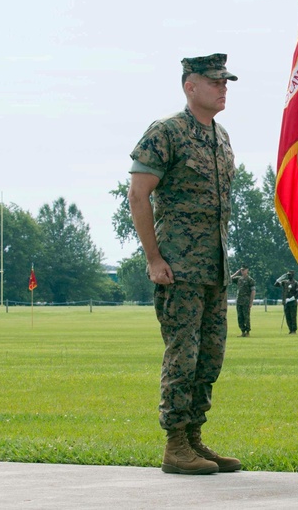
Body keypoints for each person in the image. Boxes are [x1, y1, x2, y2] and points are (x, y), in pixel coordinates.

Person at [127, 53, 241, 475]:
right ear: (189, 86)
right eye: (214, 81)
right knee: (183, 356)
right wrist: (153, 258)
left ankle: (194, 437)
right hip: (179, 269)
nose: (223, 87)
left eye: (225, 81)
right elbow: (139, 195)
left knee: (210, 357)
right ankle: (175, 444)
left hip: (214, 267)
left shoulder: (221, 137)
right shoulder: (167, 133)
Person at [232, 265, 256, 337]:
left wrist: (251, 302)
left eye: (244, 270)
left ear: (247, 270)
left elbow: (253, 291)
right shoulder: (238, 279)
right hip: (239, 300)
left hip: (246, 301)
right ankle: (242, 331)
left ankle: (247, 332)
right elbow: (229, 278)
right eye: (241, 270)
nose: (242, 271)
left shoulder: (250, 280)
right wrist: (236, 273)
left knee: (246, 317)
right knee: (240, 317)